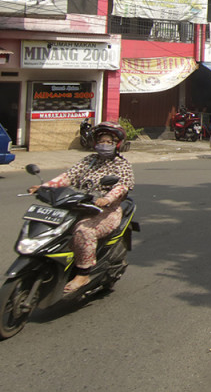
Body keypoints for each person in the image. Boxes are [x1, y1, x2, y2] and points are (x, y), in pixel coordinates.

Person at [30, 121, 134, 295]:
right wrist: (44, 186)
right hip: (79, 205)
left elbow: (123, 186)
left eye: (109, 142)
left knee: (84, 231)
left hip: (106, 211)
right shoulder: (88, 160)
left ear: (117, 144)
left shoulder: (121, 165)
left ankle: (83, 273)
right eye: (102, 141)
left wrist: (107, 198)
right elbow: (68, 176)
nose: (104, 145)